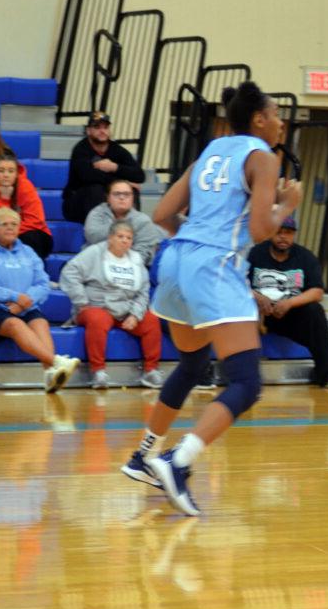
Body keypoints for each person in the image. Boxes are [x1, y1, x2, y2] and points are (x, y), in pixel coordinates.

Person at [118, 82, 301, 517]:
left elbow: (162, 215)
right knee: (246, 382)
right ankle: (177, 461)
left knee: (194, 364)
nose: (281, 121)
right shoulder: (262, 157)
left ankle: (143, 454)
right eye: (276, 114)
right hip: (214, 266)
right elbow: (260, 231)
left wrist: (197, 241)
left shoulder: (210, 154)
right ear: (258, 119)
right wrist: (285, 204)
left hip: (177, 259)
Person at [0, 208, 79, 392]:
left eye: (14, 224)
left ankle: (50, 374)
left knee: (40, 323)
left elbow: (42, 282)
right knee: (16, 325)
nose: (9, 228)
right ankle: (56, 361)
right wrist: (15, 297)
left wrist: (25, 300)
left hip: (25, 305)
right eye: (4, 224)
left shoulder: (28, 251)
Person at [59, 221, 164, 390]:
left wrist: (135, 315)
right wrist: (82, 302)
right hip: (96, 306)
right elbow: (69, 272)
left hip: (126, 310)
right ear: (110, 238)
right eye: (120, 236)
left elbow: (143, 291)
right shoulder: (94, 253)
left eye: (129, 238)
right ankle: (98, 372)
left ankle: (151, 371)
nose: (124, 241)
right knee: (98, 319)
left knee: (151, 320)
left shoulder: (136, 259)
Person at [248, 214, 328, 389]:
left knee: (314, 310)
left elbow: (317, 292)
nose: (283, 237)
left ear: (294, 235)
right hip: (260, 315)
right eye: (279, 232)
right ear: (271, 233)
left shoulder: (305, 257)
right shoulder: (255, 254)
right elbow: (236, 283)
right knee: (242, 308)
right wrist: (256, 296)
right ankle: (244, 376)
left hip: (290, 316)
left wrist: (289, 303)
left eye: (288, 232)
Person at [62, 112, 145, 225]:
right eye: (97, 127)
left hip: (108, 201)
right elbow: (88, 176)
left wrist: (114, 167)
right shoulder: (81, 149)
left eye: (105, 127)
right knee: (95, 188)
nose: (102, 131)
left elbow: (139, 175)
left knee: (130, 191)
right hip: (76, 203)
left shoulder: (116, 149)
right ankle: (99, 230)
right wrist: (122, 182)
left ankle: (131, 228)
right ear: (88, 131)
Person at [0, 155, 54, 260]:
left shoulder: (26, 187)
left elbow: (36, 220)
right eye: (1, 171)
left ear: (16, 173)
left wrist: (9, 229)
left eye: (11, 171)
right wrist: (4, 199)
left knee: (28, 239)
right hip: (1, 233)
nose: (6, 175)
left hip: (33, 234)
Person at [83, 179, 167, 264]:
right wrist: (124, 228)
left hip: (130, 268)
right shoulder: (97, 213)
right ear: (108, 198)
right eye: (116, 194)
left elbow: (143, 254)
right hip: (95, 264)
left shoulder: (143, 220)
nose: (121, 197)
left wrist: (121, 263)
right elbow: (93, 237)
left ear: (132, 198)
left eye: (127, 194)